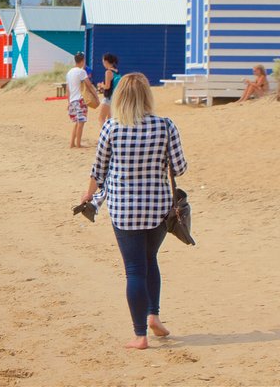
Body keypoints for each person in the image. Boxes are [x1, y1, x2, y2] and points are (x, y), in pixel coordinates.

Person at [79, 73, 187, 350]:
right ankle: (153, 315)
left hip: (124, 210)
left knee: (135, 270)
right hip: (158, 209)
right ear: (147, 96)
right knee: (150, 260)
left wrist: (87, 195)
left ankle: (140, 334)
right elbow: (180, 168)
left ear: (120, 97)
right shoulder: (165, 126)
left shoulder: (111, 127)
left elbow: (98, 169)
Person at [67, 52, 98, 149]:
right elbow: (89, 85)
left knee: (77, 122)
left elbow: (68, 88)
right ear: (83, 60)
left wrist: (68, 102)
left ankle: (72, 143)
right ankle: (78, 144)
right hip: (80, 100)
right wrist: (96, 96)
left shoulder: (69, 72)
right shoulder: (82, 71)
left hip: (72, 100)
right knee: (81, 122)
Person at [96, 53, 120, 124]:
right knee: (110, 119)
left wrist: (101, 85)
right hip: (115, 96)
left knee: (101, 118)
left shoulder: (108, 72)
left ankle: (105, 134)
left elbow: (107, 86)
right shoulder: (117, 71)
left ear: (106, 62)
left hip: (109, 97)